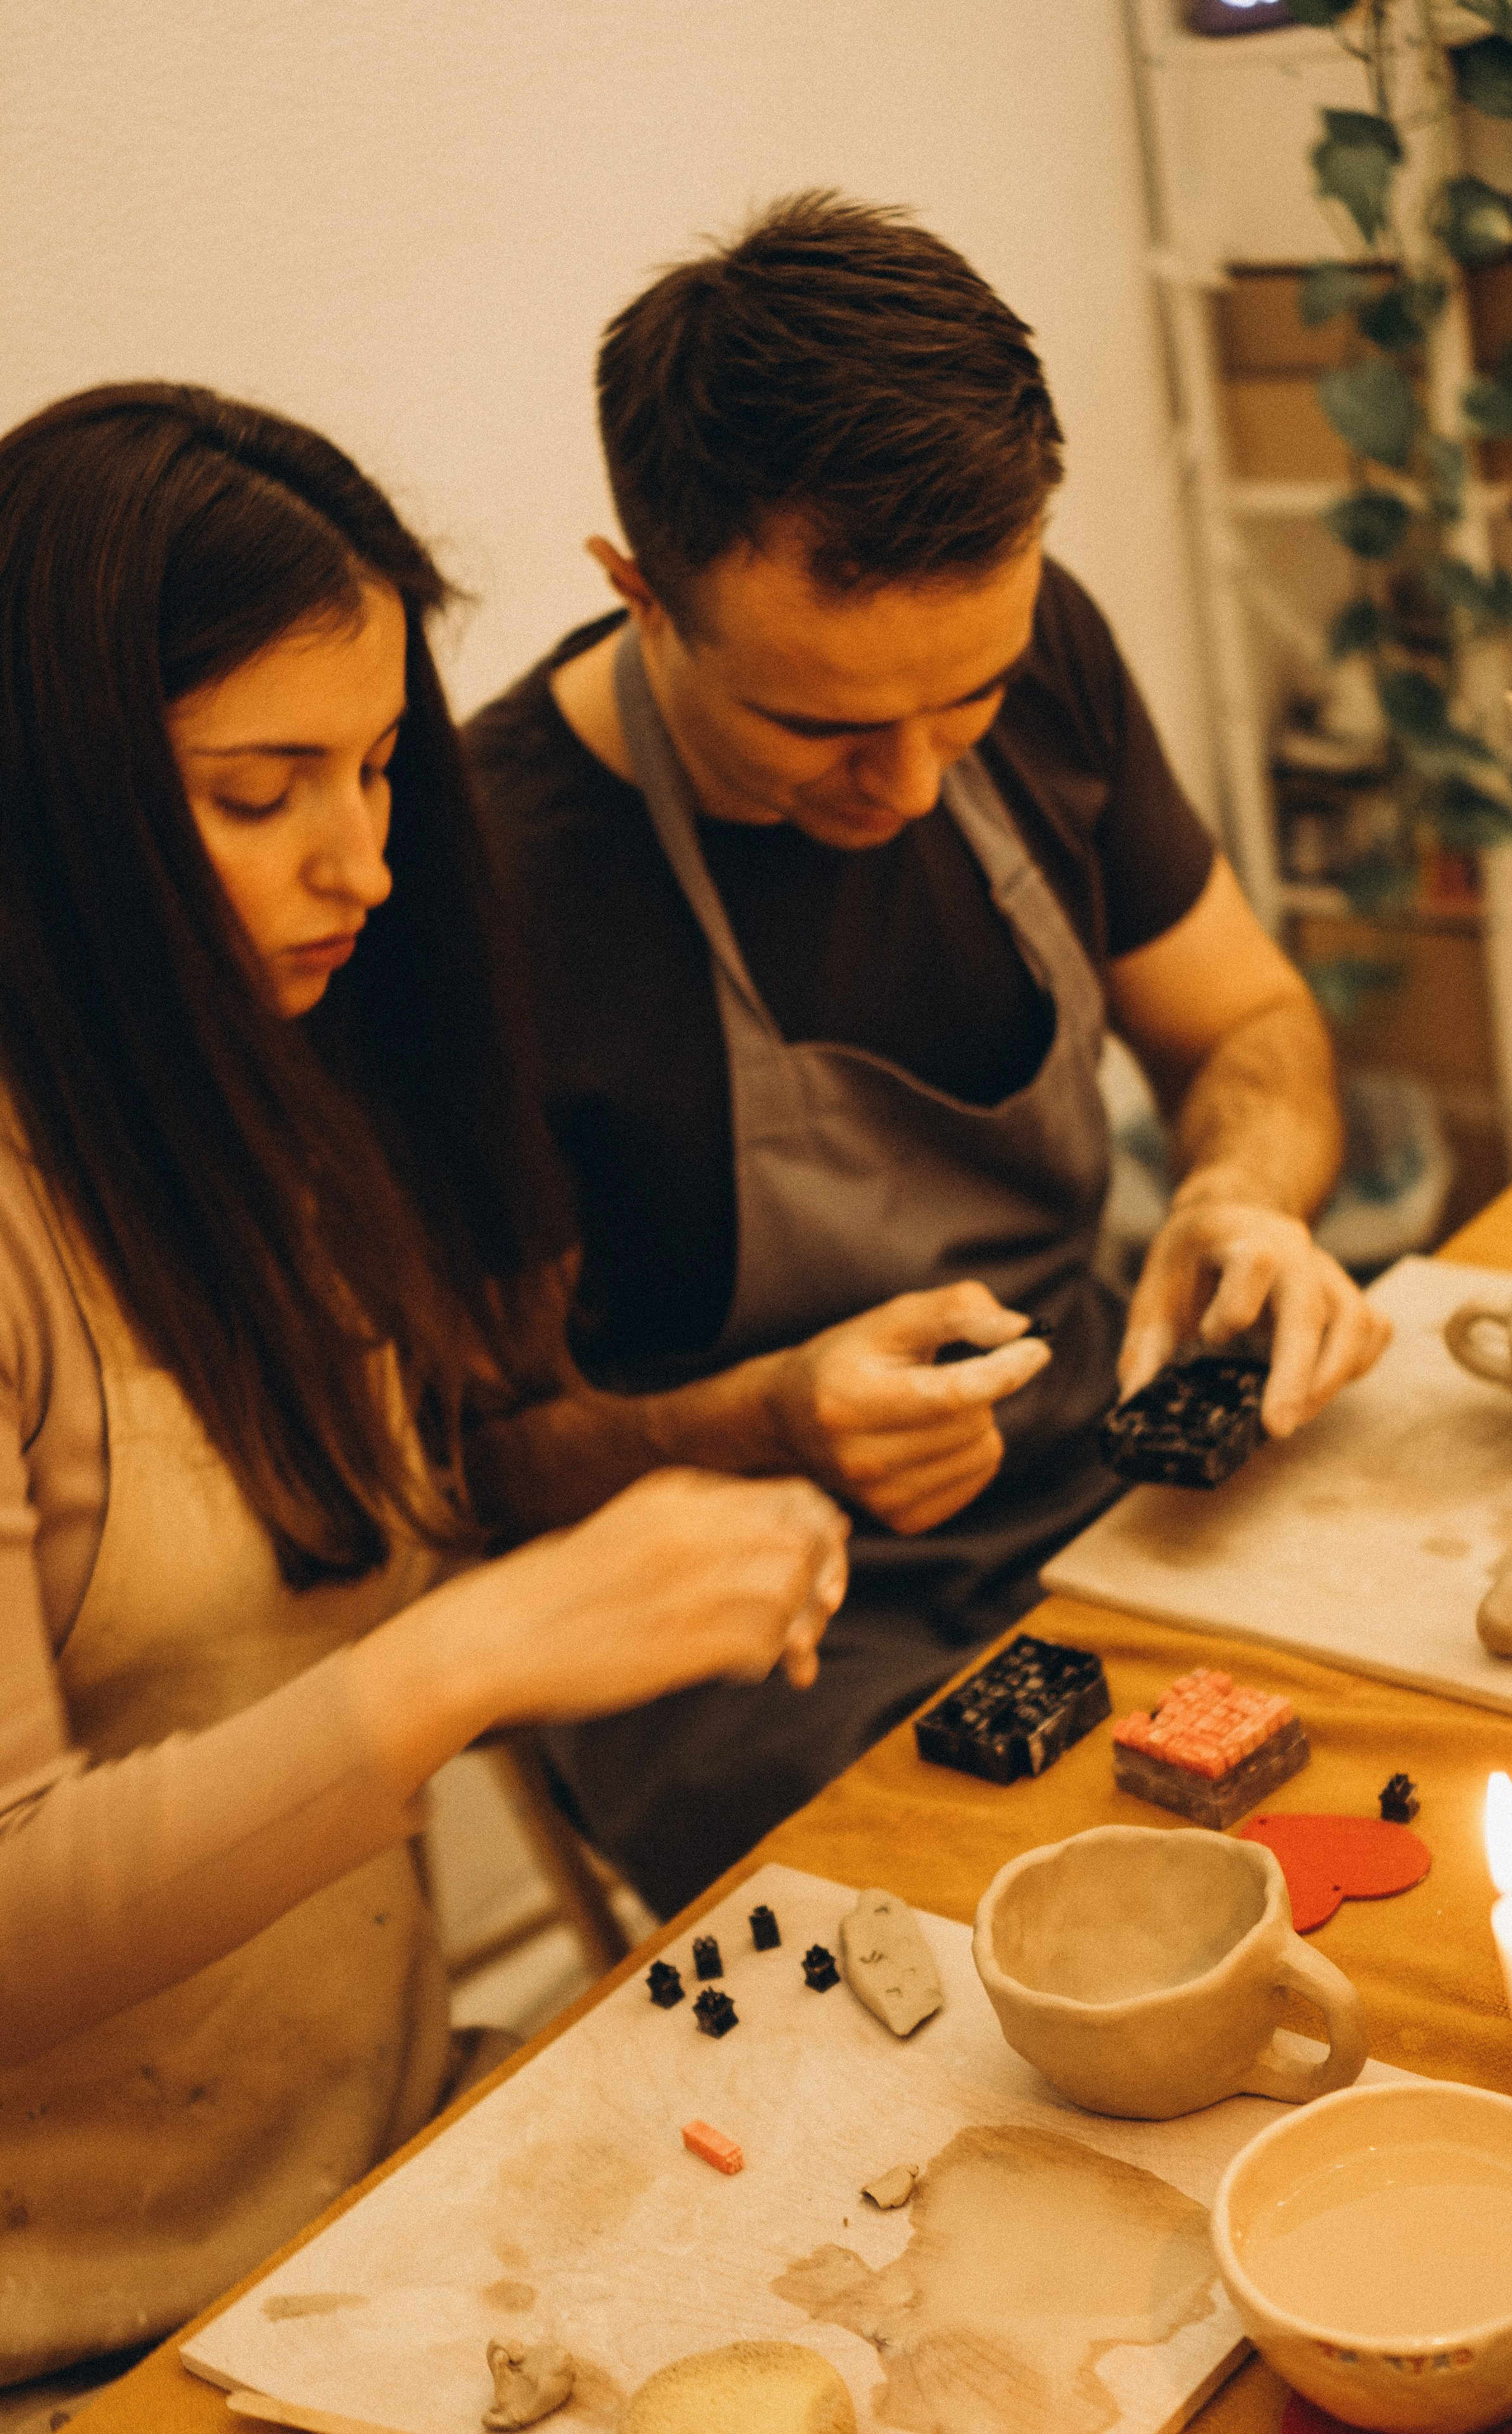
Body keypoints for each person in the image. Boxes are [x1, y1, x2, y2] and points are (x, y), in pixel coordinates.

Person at [0, 383, 849, 2404]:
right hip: (90, 2328)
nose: (366, 863)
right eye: (257, 793)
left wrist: (748, 1435)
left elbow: (389, 1524)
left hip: (370, 2189)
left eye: (380, 768)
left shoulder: (265, 1084)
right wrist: (473, 1655)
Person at [464, 193, 1393, 1917]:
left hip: (1104, 1473)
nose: (904, 784)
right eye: (817, 724)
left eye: (967, 699)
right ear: (638, 591)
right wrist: (774, 1420)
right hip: (744, 1625)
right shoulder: (489, 886)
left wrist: (1243, 1197)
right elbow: (483, 1459)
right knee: (1073, 1945)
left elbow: (1250, 1023)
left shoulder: (1046, 652)